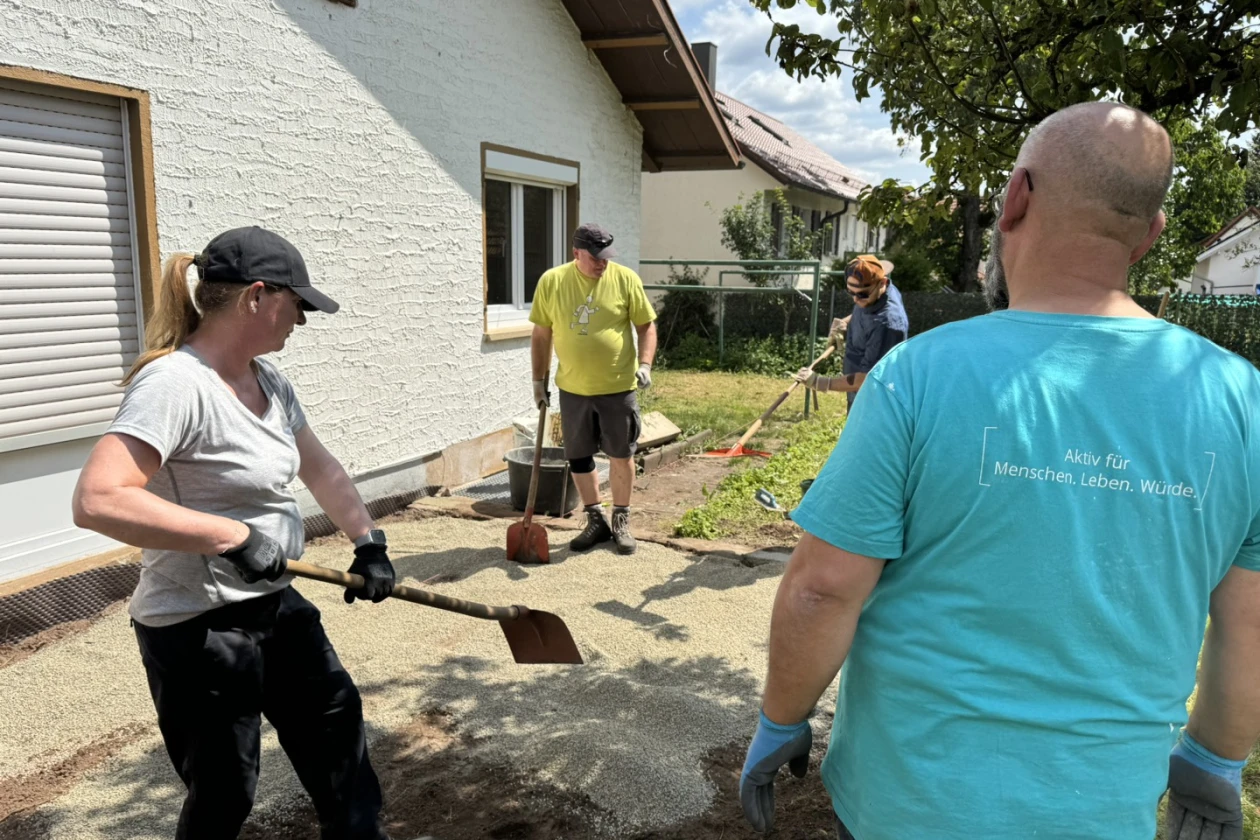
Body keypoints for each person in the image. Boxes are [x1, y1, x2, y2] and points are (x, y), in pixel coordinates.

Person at [739, 102, 1260, 840]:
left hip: (906, 804)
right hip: (1100, 812)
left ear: (1014, 198)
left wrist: (780, 719)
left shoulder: (918, 375)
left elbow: (822, 590)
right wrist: (1215, 760)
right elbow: (1251, 624)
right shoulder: (1243, 401)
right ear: (1150, 235)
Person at [72, 227, 396, 840]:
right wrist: (229, 535)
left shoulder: (268, 381)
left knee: (340, 744)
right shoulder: (174, 384)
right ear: (256, 297)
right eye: (296, 302)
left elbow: (320, 467)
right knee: (224, 791)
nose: (302, 318)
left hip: (274, 602)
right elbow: (97, 499)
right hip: (198, 626)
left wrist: (368, 542)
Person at [529, 223, 657, 555]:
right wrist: (538, 381)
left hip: (617, 387)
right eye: (595, 258)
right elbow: (542, 335)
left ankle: (621, 519)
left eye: (606, 257)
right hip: (573, 389)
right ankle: (595, 518)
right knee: (579, 457)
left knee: (621, 454)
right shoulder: (553, 282)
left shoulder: (625, 279)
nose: (603, 264)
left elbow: (646, 326)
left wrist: (645, 364)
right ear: (576, 253)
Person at [796, 256, 907, 410]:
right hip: (856, 391)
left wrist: (820, 382)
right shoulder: (877, 293)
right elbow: (866, 311)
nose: (855, 300)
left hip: (874, 402)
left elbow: (867, 379)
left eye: (861, 294)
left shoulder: (888, 325)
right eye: (851, 292)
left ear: (882, 282)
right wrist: (845, 323)